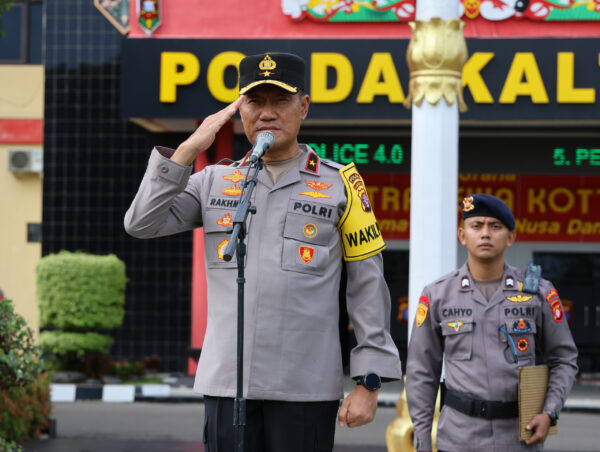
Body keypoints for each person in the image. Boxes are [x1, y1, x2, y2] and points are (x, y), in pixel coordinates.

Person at [124, 52, 402, 451]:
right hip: (227, 382)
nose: (267, 113)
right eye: (255, 102)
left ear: (303, 106)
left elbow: (367, 287)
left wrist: (369, 381)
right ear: (240, 109)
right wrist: (188, 149)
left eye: (280, 101)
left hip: (304, 388)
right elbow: (141, 223)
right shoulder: (215, 180)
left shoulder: (342, 185)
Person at [406, 193, 578, 452]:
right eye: (476, 225)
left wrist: (549, 412)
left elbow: (564, 358)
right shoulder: (437, 295)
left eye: (495, 226)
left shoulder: (537, 293)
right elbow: (421, 370)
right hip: (457, 439)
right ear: (462, 235)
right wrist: (420, 437)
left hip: (518, 440)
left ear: (511, 237)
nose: (485, 233)